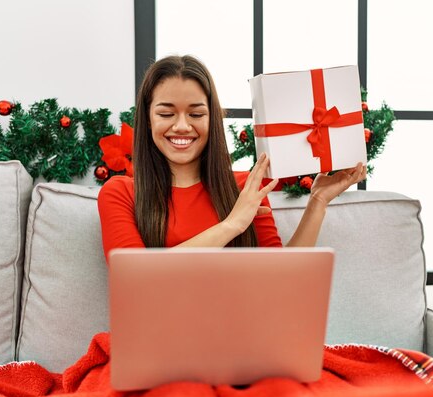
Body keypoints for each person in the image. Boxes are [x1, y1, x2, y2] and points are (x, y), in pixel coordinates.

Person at [97, 55, 366, 260]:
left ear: (212, 118)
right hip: (157, 334)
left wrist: (318, 201)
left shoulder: (246, 188)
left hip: (240, 332)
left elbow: (279, 279)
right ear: (147, 119)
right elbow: (138, 282)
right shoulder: (121, 193)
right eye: (166, 114)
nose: (181, 126)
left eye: (196, 114)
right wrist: (233, 224)